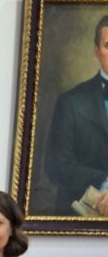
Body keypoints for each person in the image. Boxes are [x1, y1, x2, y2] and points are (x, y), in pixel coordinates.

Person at [44, 14, 108, 216]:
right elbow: (56, 165)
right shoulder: (70, 102)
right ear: (97, 52)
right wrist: (105, 182)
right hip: (78, 218)